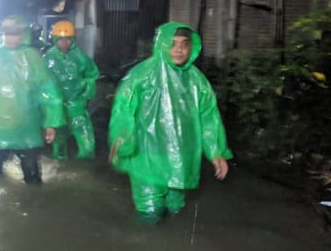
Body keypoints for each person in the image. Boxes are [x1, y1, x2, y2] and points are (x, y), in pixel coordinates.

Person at [107, 21, 233, 224]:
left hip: (180, 158)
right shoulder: (142, 74)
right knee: (150, 211)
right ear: (162, 45)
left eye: (184, 43)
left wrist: (216, 151)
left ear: (192, 46)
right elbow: (123, 108)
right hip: (147, 153)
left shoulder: (197, 80)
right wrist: (121, 137)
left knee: (176, 208)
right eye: (173, 43)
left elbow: (209, 117)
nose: (179, 49)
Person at [0, 14, 66, 184]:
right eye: (7, 34)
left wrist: (51, 123)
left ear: (23, 34)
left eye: (15, 34)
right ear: (1, 35)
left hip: (27, 126)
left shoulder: (33, 58)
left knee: (32, 173)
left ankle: (34, 206)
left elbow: (48, 91)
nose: (11, 38)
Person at [43, 20, 99, 160]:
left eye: (67, 39)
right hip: (58, 109)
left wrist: (86, 96)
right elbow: (41, 84)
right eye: (60, 39)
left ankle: (85, 173)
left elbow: (92, 76)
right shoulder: (48, 59)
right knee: (59, 146)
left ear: (72, 39)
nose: (64, 43)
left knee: (87, 144)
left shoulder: (80, 57)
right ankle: (61, 173)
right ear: (55, 39)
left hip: (77, 107)